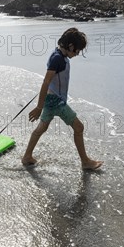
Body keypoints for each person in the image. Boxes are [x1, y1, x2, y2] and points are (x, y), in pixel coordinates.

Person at [21, 28, 103, 170]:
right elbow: (46, 82)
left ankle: (27, 156)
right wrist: (39, 107)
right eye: (77, 51)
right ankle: (85, 162)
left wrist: (42, 103)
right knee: (79, 127)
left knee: (42, 128)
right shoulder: (57, 58)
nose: (77, 54)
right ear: (70, 46)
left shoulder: (58, 54)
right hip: (56, 101)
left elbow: (51, 82)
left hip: (50, 99)